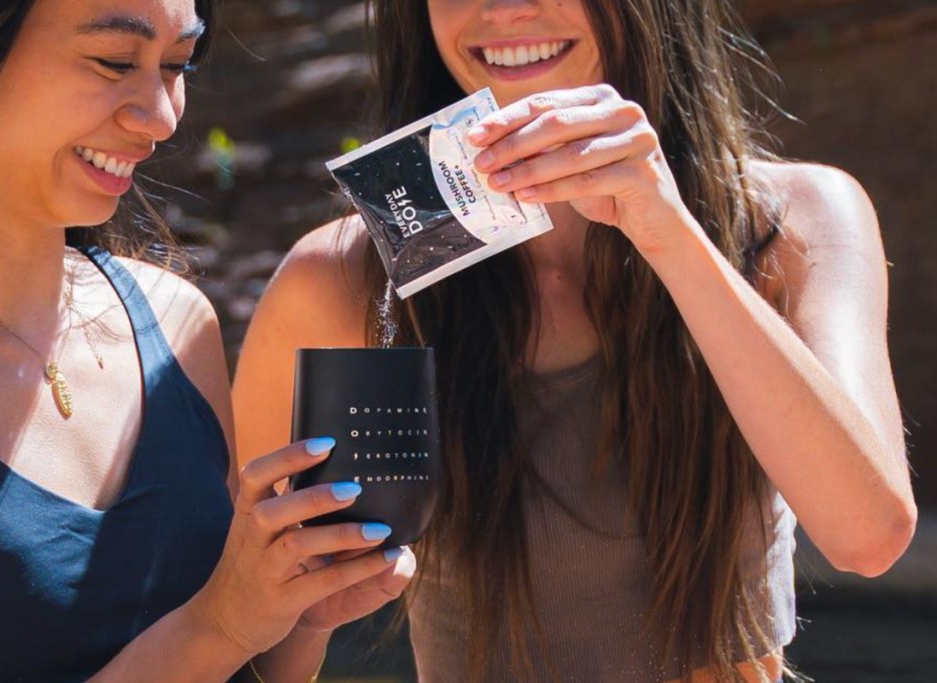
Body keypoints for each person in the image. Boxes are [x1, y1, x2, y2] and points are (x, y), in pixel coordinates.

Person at [232, 0, 918, 681]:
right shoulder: (345, 280)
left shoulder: (793, 221)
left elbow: (867, 535)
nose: (504, 11)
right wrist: (303, 609)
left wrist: (669, 236)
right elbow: (236, 635)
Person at [0, 1, 414, 681]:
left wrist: (295, 616)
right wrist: (219, 624)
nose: (163, 116)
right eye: (115, 61)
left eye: (177, 65)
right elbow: (216, 632)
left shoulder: (177, 320)